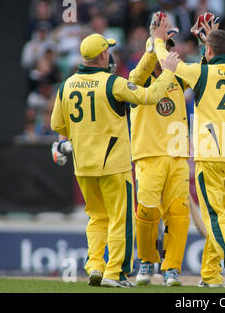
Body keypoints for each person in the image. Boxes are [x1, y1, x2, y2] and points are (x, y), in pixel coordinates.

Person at [50, 33, 180, 288]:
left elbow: (58, 126)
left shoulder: (66, 86)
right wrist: (167, 73)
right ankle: (115, 273)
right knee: (120, 219)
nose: (109, 53)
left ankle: (95, 266)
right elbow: (149, 96)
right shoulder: (113, 83)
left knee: (97, 218)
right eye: (107, 50)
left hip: (83, 167)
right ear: (101, 55)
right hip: (113, 165)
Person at [153, 15, 225, 288]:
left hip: (212, 153)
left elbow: (168, 63)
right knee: (221, 216)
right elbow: (224, 60)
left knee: (214, 216)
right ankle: (210, 274)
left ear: (208, 51)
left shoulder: (201, 72)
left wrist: (159, 41)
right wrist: (208, 41)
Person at [128, 27, 191, 287]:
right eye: (164, 47)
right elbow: (140, 72)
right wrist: (154, 47)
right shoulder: (138, 79)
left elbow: (202, 71)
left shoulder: (178, 78)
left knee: (178, 213)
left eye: (170, 47)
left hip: (177, 156)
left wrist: (203, 41)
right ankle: (146, 260)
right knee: (147, 211)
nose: (170, 52)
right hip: (149, 155)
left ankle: (172, 268)